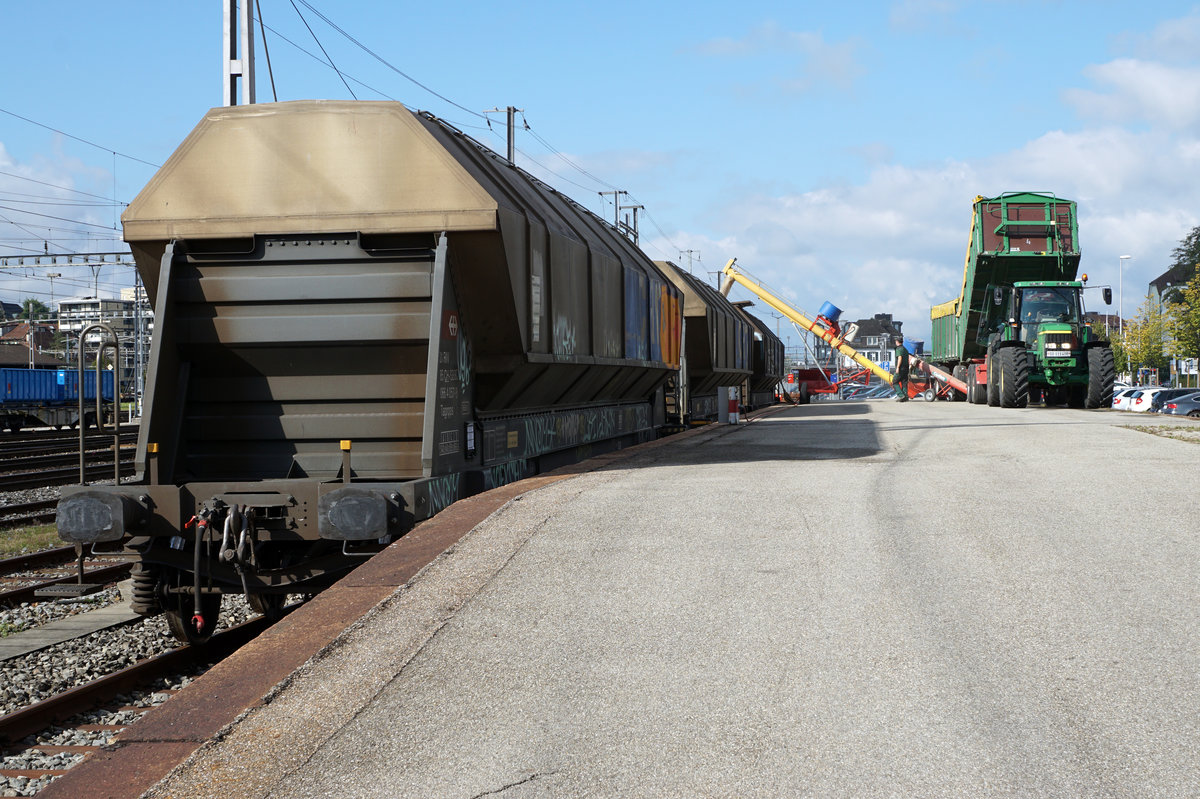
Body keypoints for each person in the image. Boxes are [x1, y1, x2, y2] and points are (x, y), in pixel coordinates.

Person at [892, 336, 909, 401]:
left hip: (901, 368)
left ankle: (901, 395)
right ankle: (905, 396)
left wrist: (898, 367)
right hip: (906, 368)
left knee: (895, 382)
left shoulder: (899, 349)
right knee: (904, 382)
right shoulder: (905, 349)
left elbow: (900, 358)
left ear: (897, 342)